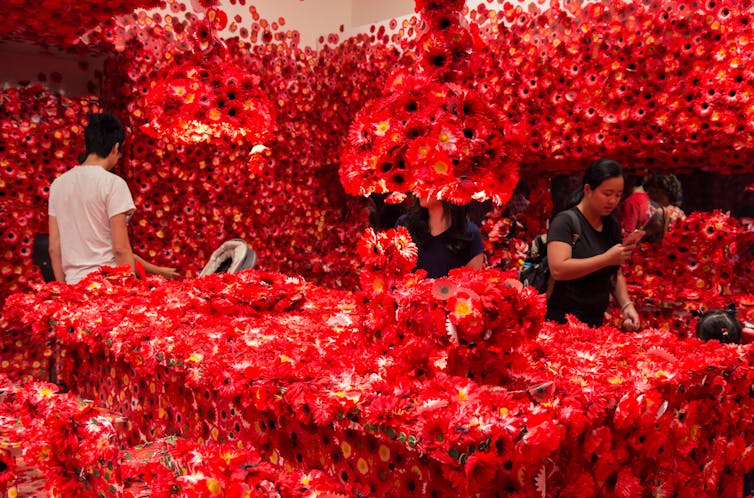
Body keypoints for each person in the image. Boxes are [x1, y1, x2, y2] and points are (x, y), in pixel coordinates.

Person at [48, 112, 179, 284]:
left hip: (73, 284)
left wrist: (64, 287)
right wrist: (129, 289)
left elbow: (54, 248)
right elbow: (120, 248)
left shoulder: (58, 185)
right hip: (107, 285)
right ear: (116, 148)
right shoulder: (113, 184)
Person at [546, 159, 640, 330]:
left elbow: (615, 273)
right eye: (607, 193)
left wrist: (627, 305)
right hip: (562, 322)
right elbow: (558, 269)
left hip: (595, 322)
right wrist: (605, 259)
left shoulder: (611, 225)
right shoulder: (565, 222)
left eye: (618, 195)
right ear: (588, 189)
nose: (613, 201)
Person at [397, 194, 484, 278]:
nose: (418, 189)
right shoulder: (405, 225)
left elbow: (473, 287)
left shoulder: (470, 233)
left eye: (427, 182)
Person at [643, 174, 686, 241]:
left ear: (666, 192)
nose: (651, 195)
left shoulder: (661, 213)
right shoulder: (680, 212)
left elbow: (639, 236)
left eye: (655, 191)